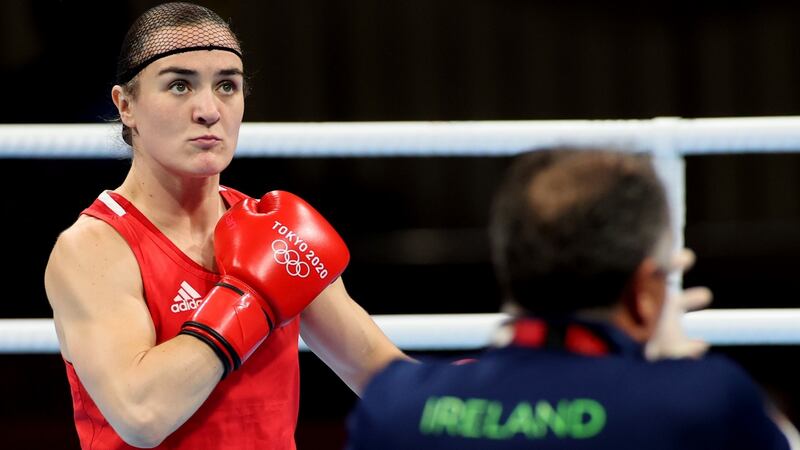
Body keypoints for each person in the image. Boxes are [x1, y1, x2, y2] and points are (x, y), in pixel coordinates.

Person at [44, 3, 405, 449]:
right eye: (179, 85)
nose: (208, 110)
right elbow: (141, 415)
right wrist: (250, 298)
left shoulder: (277, 234)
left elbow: (377, 372)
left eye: (227, 86)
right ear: (126, 105)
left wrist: (478, 395)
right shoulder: (94, 248)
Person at [347, 148, 794, 449]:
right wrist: (672, 367)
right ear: (646, 293)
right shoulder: (704, 401)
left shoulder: (396, 405)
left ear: (509, 265)